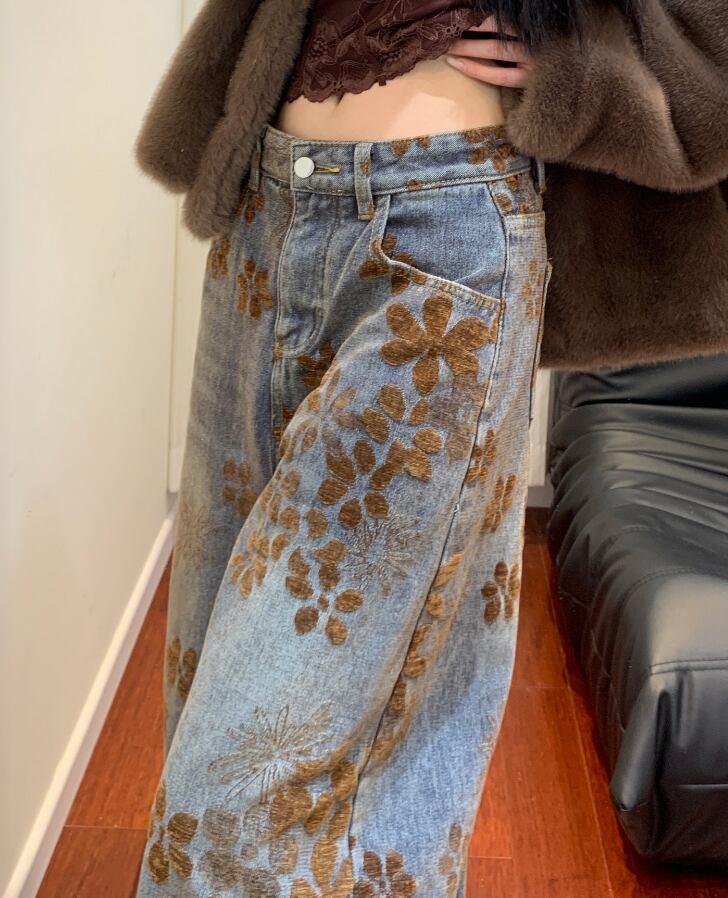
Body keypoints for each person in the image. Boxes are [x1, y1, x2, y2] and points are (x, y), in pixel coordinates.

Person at [132, 1, 728, 895]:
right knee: (209, 671)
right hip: (264, 216)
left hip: (443, 235)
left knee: (244, 779)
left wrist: (589, 82)